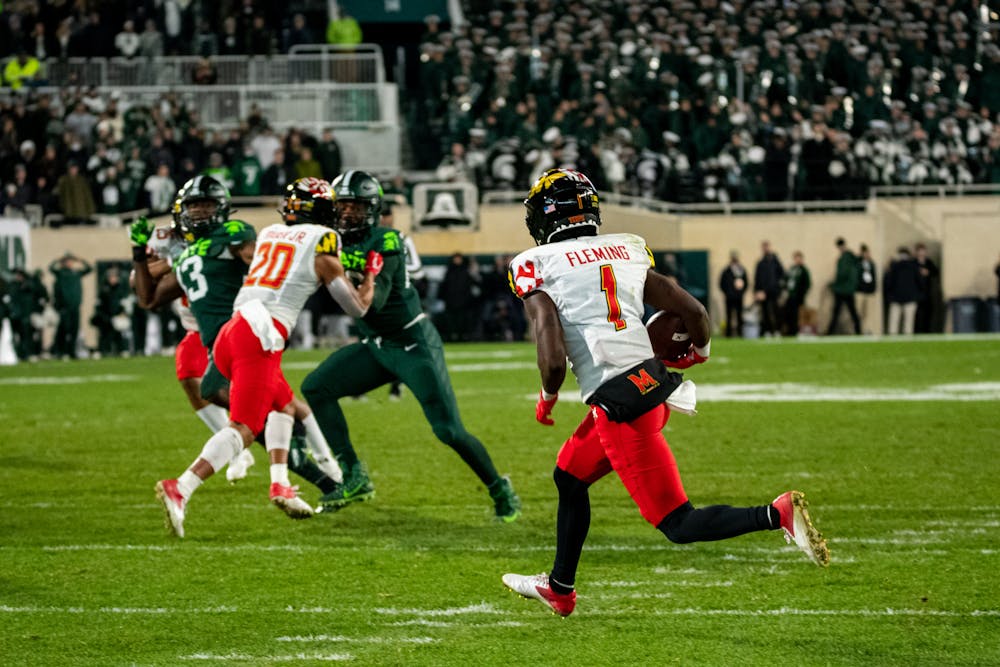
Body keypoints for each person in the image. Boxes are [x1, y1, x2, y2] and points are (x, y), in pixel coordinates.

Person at [500, 169, 828, 617]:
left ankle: (776, 514)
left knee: (678, 523)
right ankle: (560, 587)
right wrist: (701, 353)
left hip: (621, 408)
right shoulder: (627, 248)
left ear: (544, 216)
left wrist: (547, 396)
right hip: (649, 385)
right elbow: (692, 310)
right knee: (570, 476)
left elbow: (552, 355)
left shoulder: (536, 265)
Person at [136, 177, 367, 537]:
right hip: (261, 334)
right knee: (244, 427)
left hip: (232, 328)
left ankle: (282, 484)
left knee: (283, 407)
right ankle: (180, 487)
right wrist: (366, 278)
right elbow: (354, 308)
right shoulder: (324, 241)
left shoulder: (272, 232)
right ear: (324, 211)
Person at [301, 170, 521, 521]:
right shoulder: (330, 242)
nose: (347, 214)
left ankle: (498, 486)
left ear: (372, 209)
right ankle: (354, 474)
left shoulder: (387, 239)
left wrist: (347, 273)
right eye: (342, 206)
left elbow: (377, 299)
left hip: (412, 343)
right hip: (375, 344)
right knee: (316, 387)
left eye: (356, 207)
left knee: (448, 431)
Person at [49, 252, 93, 358]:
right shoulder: (60, 273)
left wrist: (80, 259)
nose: (69, 263)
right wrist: (59, 259)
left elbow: (89, 269)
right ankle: (60, 351)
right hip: (64, 307)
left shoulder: (76, 273)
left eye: (70, 261)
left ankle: (71, 352)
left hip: (75, 306)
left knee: (74, 330)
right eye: (67, 261)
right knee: (64, 329)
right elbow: (50, 268)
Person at [826, 237, 861, 335]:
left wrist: (833, 285)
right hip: (847, 289)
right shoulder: (848, 257)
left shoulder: (845, 258)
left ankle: (830, 333)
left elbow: (842, 274)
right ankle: (858, 331)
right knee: (852, 312)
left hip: (843, 290)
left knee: (837, 313)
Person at [884, 246, 922, 335]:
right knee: (908, 325)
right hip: (910, 298)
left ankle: (892, 344)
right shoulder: (914, 266)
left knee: (893, 325)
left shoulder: (893, 266)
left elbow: (888, 282)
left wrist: (889, 296)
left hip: (896, 298)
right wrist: (918, 295)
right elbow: (920, 282)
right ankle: (908, 344)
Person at [753, 241, 784, 337]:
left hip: (774, 291)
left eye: (767, 247)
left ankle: (778, 330)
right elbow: (757, 278)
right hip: (763, 293)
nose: (765, 249)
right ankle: (767, 331)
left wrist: (779, 288)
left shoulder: (776, 261)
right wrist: (757, 291)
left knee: (776, 312)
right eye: (764, 247)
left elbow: (782, 275)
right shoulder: (760, 263)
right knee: (765, 313)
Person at [781, 251, 811, 336]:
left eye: (799, 258)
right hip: (790, 296)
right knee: (788, 313)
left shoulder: (804, 270)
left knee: (796, 315)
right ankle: (789, 330)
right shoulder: (792, 269)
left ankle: (795, 331)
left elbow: (807, 284)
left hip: (798, 296)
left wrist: (802, 294)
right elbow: (786, 280)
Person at [718, 251, 748, 337]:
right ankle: (728, 334)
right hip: (729, 297)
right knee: (729, 316)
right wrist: (727, 292)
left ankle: (740, 333)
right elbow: (721, 283)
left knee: (739, 315)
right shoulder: (726, 271)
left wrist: (742, 291)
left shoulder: (742, 270)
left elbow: (746, 283)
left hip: (739, 297)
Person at [913, 243, 940, 333]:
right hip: (916, 294)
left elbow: (936, 272)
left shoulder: (928, 262)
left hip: (927, 293)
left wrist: (928, 272)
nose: (921, 254)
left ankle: (927, 332)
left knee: (928, 314)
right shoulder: (913, 263)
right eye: (919, 252)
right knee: (917, 316)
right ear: (916, 252)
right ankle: (917, 333)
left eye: (923, 251)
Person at [856, 244, 878, 334]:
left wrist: (873, 289)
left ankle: (868, 330)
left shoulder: (871, 264)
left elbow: (872, 278)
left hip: (869, 292)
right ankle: (860, 330)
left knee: (869, 313)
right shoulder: (858, 264)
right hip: (860, 292)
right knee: (860, 313)